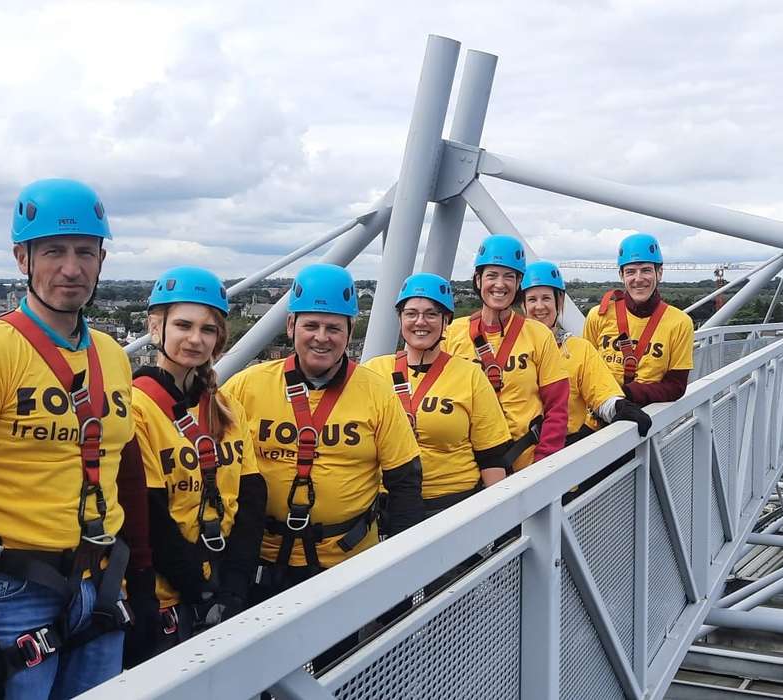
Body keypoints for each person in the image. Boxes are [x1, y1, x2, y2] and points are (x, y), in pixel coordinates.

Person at [0, 179, 151, 699]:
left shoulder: (111, 354)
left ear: (102, 259)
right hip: (13, 588)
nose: (71, 268)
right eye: (54, 251)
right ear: (22, 258)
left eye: (86, 252)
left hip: (99, 580)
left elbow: (122, 470)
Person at [222, 263, 422, 665]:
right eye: (311, 325)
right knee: (259, 671)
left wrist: (398, 570)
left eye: (334, 328)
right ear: (291, 325)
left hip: (343, 561)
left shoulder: (376, 393)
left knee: (336, 669)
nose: (321, 338)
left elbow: (404, 484)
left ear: (350, 332)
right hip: (262, 560)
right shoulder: (247, 386)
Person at [122, 267, 266, 664]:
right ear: (156, 327)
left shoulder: (225, 406)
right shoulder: (137, 408)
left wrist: (234, 587)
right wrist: (200, 592)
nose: (195, 339)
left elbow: (251, 498)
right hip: (167, 596)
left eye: (208, 329)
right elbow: (148, 515)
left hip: (222, 586)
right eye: (183, 325)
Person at [363, 273, 511, 521]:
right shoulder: (373, 372)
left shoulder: (470, 376)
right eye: (411, 313)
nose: (420, 321)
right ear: (400, 318)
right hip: (385, 512)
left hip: (452, 509)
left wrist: (497, 523)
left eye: (431, 314)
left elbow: (492, 457)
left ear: (446, 321)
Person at [444, 235, 569, 471]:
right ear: (478, 280)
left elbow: (557, 408)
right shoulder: (452, 334)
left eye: (509, 276)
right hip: (467, 467)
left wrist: (542, 466)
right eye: (492, 275)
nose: (500, 284)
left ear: (519, 282)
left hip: (525, 464)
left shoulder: (538, 335)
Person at [520, 261, 652, 444]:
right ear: (523, 305)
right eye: (532, 299)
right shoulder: (513, 349)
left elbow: (602, 394)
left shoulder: (579, 349)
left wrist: (620, 407)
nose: (540, 306)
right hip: (520, 452)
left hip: (565, 447)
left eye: (547, 298)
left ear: (559, 303)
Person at [583, 233, 694, 405]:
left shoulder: (680, 323)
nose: (638, 278)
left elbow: (675, 386)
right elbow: (585, 371)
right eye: (630, 272)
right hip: (599, 412)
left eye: (646, 270)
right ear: (621, 275)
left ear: (660, 273)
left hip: (647, 418)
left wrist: (626, 394)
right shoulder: (598, 316)